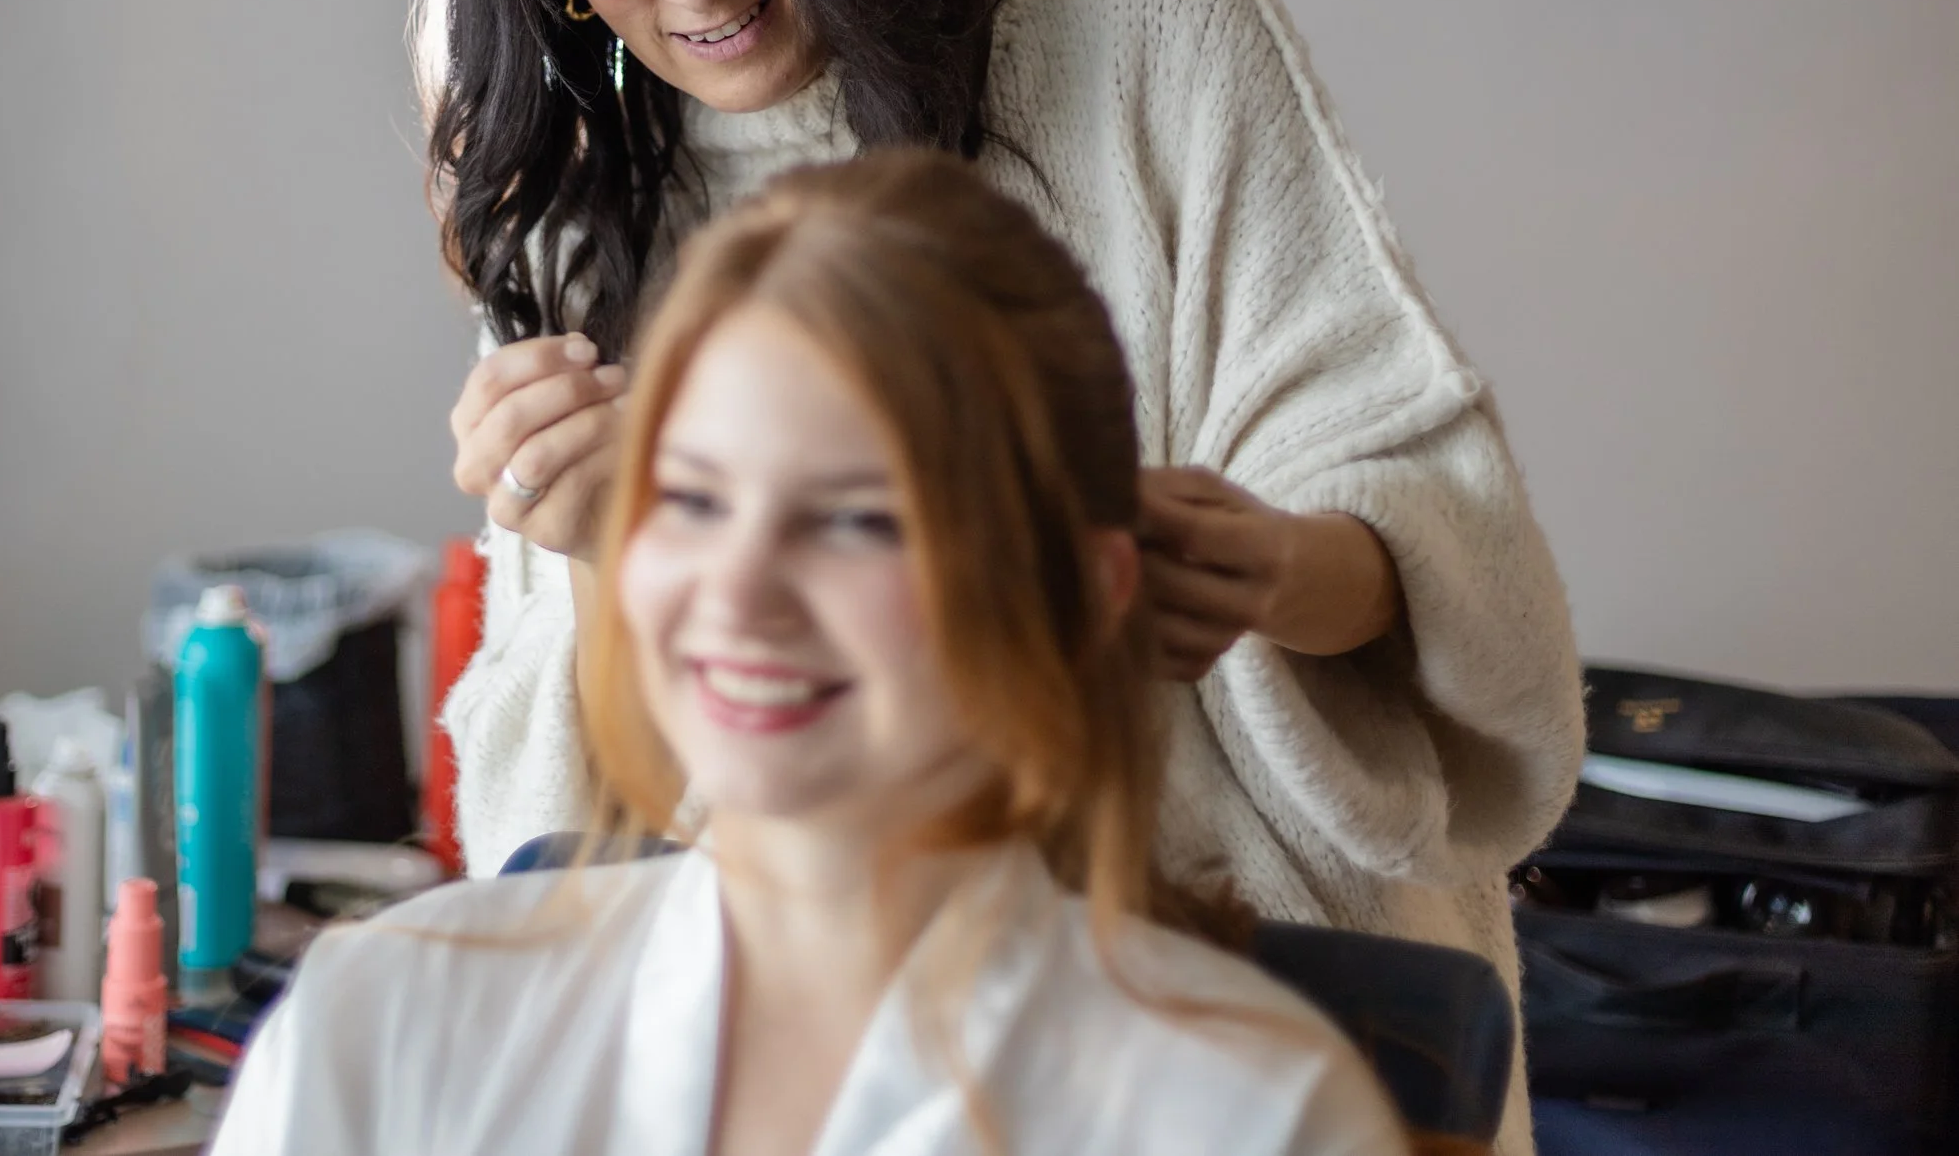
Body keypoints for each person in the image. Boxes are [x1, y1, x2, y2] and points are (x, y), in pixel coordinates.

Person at [425, 0, 1582, 1151]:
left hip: (1244, 989)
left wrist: (1275, 571)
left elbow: (1431, 516)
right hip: (827, 1060)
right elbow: (559, 827)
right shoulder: (585, 192)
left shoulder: (1135, 19)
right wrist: (592, 559)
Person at [216, 153, 1411, 1156]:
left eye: (855, 518)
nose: (738, 590)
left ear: (1079, 592)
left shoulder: (1256, 1117)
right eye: (689, 499)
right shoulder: (379, 1027)